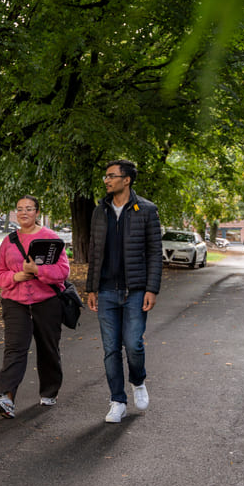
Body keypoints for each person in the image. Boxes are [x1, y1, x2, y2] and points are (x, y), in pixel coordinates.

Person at [86, 159, 163, 423]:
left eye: (111, 176)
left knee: (133, 345)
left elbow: (155, 253)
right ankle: (117, 400)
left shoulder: (147, 210)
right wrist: (91, 288)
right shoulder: (100, 210)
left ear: (126, 179)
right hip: (106, 290)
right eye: (105, 176)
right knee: (110, 349)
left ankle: (138, 381)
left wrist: (151, 289)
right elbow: (94, 251)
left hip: (135, 291)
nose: (106, 180)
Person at [0, 195, 70, 419]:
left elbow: (63, 272)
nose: (24, 213)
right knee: (15, 349)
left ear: (37, 211)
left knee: (48, 348)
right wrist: (16, 275)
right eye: (20, 209)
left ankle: (49, 391)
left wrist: (37, 272)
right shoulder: (9, 241)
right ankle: (5, 397)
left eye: (29, 209)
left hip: (47, 302)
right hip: (15, 302)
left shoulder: (51, 238)